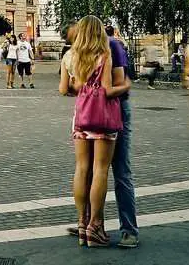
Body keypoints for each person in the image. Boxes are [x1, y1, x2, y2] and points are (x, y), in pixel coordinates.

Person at [59, 16, 127, 249]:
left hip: (82, 118)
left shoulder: (69, 56)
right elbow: (108, 89)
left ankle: (81, 224)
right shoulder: (104, 54)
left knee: (81, 169)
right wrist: (125, 85)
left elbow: (63, 89)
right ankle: (95, 226)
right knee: (100, 169)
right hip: (103, 119)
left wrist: (82, 89)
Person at [105, 24, 139, 248]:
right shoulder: (80, 51)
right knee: (93, 171)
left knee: (118, 171)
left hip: (110, 110)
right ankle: (90, 226)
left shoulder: (112, 45)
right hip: (97, 112)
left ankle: (128, 229)